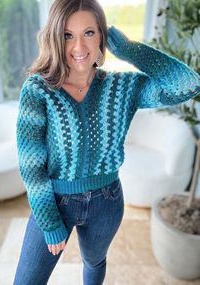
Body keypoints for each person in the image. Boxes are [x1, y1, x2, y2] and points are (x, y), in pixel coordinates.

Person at [13, 0, 200, 284]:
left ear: (102, 35)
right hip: (55, 201)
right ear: (54, 38)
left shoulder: (121, 87)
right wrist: (49, 221)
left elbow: (188, 84)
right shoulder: (39, 90)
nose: (79, 47)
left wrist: (130, 50)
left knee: (95, 261)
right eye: (67, 35)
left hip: (107, 201)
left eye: (89, 32)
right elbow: (31, 165)